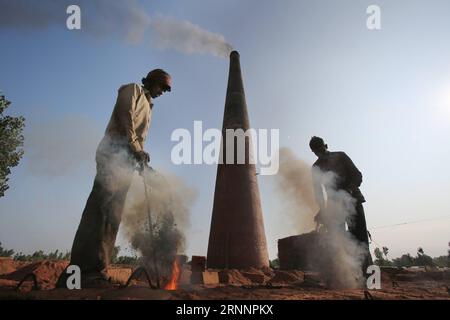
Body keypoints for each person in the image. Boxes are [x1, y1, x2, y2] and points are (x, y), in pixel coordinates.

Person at [57, 69, 171, 288]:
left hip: (126, 161)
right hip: (113, 152)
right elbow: (124, 115)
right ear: (152, 81)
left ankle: (97, 271)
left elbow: (138, 138)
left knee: (112, 217)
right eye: (161, 87)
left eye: (165, 90)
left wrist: (140, 161)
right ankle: (80, 274)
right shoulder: (133, 90)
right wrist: (136, 148)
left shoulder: (150, 107)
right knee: (100, 210)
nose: (162, 93)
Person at [309, 136, 373, 275]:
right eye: (316, 152)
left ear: (325, 145)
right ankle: (346, 275)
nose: (319, 154)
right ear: (313, 152)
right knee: (339, 239)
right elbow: (318, 193)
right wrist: (322, 210)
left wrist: (348, 191)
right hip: (335, 207)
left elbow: (357, 175)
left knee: (360, 238)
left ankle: (368, 276)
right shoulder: (315, 168)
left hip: (353, 200)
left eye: (320, 149)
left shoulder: (341, 156)